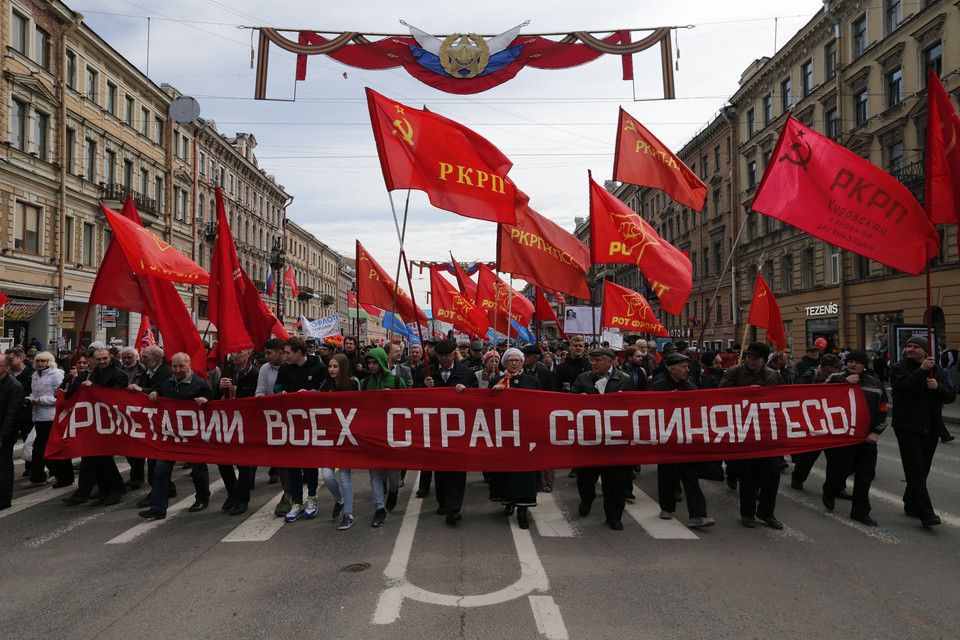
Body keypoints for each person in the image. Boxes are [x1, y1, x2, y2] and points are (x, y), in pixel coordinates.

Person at [889, 336, 956, 528]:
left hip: (931, 426)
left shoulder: (939, 371)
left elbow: (950, 396)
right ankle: (926, 513)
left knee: (923, 468)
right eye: (908, 346)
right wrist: (922, 371)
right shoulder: (899, 368)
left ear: (925, 350)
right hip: (907, 426)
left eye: (915, 347)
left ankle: (911, 502)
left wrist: (938, 387)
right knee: (915, 469)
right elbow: (903, 388)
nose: (910, 349)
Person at [719, 342, 785, 529]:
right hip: (744, 432)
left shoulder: (774, 376)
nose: (750, 360)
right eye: (748, 356)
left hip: (767, 432)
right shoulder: (735, 372)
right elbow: (720, 395)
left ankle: (766, 512)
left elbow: (784, 399)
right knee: (747, 475)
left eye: (755, 358)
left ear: (764, 360)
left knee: (772, 473)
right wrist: (745, 393)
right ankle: (747, 514)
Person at [138, 353, 213, 519]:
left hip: (193, 436)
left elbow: (212, 400)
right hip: (171, 435)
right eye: (175, 366)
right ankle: (158, 507)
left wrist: (204, 399)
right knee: (160, 470)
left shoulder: (200, 384)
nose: (178, 370)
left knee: (199, 470)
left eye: (181, 366)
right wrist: (152, 393)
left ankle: (202, 498)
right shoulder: (168, 383)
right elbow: (159, 391)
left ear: (189, 366)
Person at [573, 347, 638, 530]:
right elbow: (569, 403)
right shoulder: (583, 379)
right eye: (592, 360)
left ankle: (614, 516)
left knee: (615, 483)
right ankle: (587, 499)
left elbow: (636, 405)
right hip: (589, 441)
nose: (593, 363)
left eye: (598, 360)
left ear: (611, 361)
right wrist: (579, 400)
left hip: (615, 442)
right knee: (585, 479)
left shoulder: (624, 380)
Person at [413, 339, 477, 524]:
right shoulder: (426, 372)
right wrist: (423, 388)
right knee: (440, 469)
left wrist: (467, 391)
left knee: (457, 469)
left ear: (453, 354)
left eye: (447, 355)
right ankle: (442, 502)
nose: (443, 359)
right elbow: (412, 399)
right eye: (440, 356)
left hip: (458, 429)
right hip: (435, 429)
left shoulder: (465, 373)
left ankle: (454, 508)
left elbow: (476, 399)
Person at [822, 350, 887, 526]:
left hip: (866, 438)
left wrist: (876, 432)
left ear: (864, 365)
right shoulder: (835, 379)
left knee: (865, 477)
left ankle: (860, 512)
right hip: (843, 438)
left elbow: (882, 411)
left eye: (857, 362)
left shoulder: (875, 384)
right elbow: (821, 397)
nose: (852, 364)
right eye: (850, 361)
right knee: (841, 469)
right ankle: (830, 488)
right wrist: (844, 383)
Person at [651, 352, 714, 528]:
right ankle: (666, 507)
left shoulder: (692, 387)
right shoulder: (658, 387)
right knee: (666, 474)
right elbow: (649, 410)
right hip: (666, 439)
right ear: (672, 369)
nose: (688, 369)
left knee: (690, 476)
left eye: (687, 366)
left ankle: (698, 515)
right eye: (684, 366)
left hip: (686, 439)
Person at [63, 348, 127, 506]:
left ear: (110, 357)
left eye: (104, 358)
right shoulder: (95, 372)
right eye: (98, 359)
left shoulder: (119, 374)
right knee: (95, 458)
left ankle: (116, 489)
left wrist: (94, 387)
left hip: (109, 423)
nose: (102, 362)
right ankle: (105, 490)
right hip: (94, 422)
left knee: (105, 458)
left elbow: (116, 396)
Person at [488, 348, 540, 529]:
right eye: (510, 360)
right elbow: (487, 407)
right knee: (505, 471)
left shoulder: (533, 382)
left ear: (523, 362)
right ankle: (508, 501)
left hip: (526, 435)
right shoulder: (496, 381)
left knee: (524, 473)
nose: (514, 363)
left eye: (517, 360)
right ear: (504, 363)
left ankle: (523, 510)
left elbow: (541, 405)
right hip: (505, 434)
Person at [276, 336, 326, 523]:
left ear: (298, 352)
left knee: (310, 463)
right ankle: (297, 502)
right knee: (293, 464)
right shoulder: (284, 369)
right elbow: (276, 388)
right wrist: (279, 394)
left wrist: (310, 395)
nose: (285, 356)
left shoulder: (318, 367)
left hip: (311, 423)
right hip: (290, 422)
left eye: (287, 353)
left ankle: (312, 497)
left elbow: (325, 392)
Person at [361, 346, 406, 527]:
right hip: (373, 436)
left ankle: (394, 492)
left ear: (381, 362)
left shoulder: (396, 381)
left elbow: (407, 407)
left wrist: (392, 398)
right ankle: (379, 508)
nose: (371, 366)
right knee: (374, 474)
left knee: (393, 474)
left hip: (392, 435)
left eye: (374, 362)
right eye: (369, 363)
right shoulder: (364, 384)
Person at [790, 353, 844, 491]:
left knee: (836, 459)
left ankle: (837, 487)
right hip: (813, 423)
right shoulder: (810, 375)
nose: (839, 372)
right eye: (836, 369)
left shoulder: (838, 378)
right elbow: (797, 393)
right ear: (826, 368)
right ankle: (798, 478)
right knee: (808, 455)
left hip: (831, 422)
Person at [215, 349, 259, 516]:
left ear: (248, 354)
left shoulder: (255, 373)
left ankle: (242, 499)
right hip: (225, 423)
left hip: (246, 425)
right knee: (223, 462)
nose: (235, 356)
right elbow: (212, 397)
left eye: (239, 352)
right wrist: (219, 388)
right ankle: (232, 494)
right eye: (233, 353)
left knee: (244, 464)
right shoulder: (225, 370)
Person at [320, 353, 361, 530]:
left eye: (335, 366)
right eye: (330, 366)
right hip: (329, 436)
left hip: (346, 435)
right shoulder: (324, 386)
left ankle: (348, 514)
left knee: (345, 477)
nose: (331, 369)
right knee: (327, 476)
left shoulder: (353, 383)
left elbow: (361, 407)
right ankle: (339, 499)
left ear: (342, 367)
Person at [22, 352, 65, 488]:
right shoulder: (35, 375)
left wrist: (40, 400)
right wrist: (29, 398)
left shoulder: (56, 374)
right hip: (39, 415)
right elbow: (34, 393)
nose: (40, 363)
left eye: (43, 361)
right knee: (41, 447)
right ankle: (50, 473)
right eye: (38, 361)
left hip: (50, 416)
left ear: (49, 362)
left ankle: (42, 476)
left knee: (41, 447)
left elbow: (60, 395)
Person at [0, 354, 25, 510]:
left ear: (7, 368)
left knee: (3, 466)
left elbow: (12, 414)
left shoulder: (14, 386)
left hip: (4, 433)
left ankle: (4, 499)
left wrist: (3, 436)